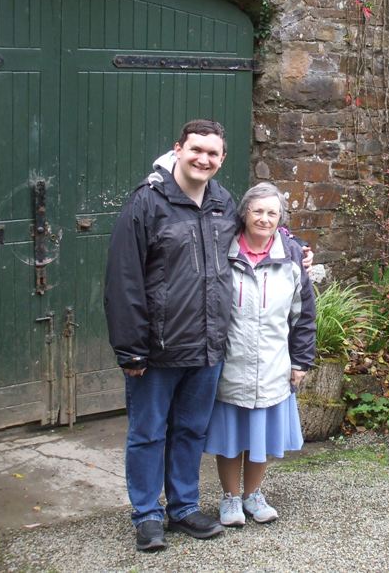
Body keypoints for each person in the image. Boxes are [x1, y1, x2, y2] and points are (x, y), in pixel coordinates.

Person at [105, 121, 313, 552]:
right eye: (196, 149)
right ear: (177, 149)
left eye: (213, 154)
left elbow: (262, 233)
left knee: (189, 432)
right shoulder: (146, 204)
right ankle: (147, 515)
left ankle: (182, 508)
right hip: (157, 349)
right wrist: (130, 348)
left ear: (221, 160)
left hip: (207, 347)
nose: (204, 159)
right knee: (147, 433)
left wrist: (295, 247)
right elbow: (123, 280)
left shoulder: (222, 203)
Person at [204, 182, 316, 527]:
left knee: (260, 436)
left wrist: (300, 361)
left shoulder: (291, 256)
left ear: (280, 218)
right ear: (244, 213)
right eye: (257, 211)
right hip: (231, 362)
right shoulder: (225, 250)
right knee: (231, 438)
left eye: (272, 213)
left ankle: (253, 495)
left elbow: (304, 314)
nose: (264, 219)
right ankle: (230, 498)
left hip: (272, 362)